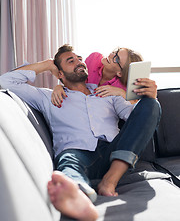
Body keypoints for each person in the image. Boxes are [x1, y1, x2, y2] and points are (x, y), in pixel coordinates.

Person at [0, 44, 161, 221]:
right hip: (77, 153)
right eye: (71, 60)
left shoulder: (107, 94)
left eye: (80, 59)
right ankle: (79, 195)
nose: (79, 62)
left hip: (113, 153)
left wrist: (147, 97)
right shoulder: (47, 97)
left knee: (152, 104)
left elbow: (137, 119)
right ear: (59, 73)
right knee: (68, 164)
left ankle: (110, 180)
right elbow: (7, 81)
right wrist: (46, 64)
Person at [51, 47, 143, 107]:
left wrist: (121, 92)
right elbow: (73, 78)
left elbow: (137, 110)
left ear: (120, 73)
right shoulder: (94, 59)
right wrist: (59, 87)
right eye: (115, 52)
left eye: (116, 59)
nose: (111, 55)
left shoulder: (123, 87)